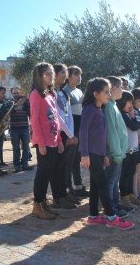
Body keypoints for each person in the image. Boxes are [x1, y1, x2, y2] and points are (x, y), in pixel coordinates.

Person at [81, 78, 134, 230]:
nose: (109, 95)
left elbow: (102, 135)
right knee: (103, 183)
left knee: (96, 185)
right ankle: (111, 218)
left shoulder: (100, 109)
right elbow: (83, 132)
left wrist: (104, 154)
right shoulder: (90, 109)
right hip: (90, 153)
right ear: (96, 94)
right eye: (106, 92)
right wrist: (84, 155)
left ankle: (93, 217)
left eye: (110, 91)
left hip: (98, 153)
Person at [30, 63, 64, 220]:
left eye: (52, 73)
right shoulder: (36, 94)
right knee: (42, 173)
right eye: (47, 74)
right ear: (39, 76)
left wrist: (60, 140)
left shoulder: (51, 94)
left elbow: (56, 119)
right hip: (44, 141)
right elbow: (35, 120)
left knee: (49, 171)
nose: (51, 76)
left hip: (53, 140)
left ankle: (43, 203)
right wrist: (40, 142)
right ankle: (37, 205)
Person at [104, 76, 133, 218]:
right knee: (110, 182)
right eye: (121, 87)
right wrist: (116, 153)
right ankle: (109, 208)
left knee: (115, 181)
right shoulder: (108, 107)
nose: (123, 90)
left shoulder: (113, 105)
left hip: (119, 153)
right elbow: (111, 132)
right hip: (114, 153)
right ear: (114, 89)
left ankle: (116, 204)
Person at [52, 64, 80, 207]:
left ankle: (64, 194)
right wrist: (69, 134)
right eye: (62, 72)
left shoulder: (64, 93)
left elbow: (69, 116)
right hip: (60, 134)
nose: (65, 75)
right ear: (54, 74)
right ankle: (57, 197)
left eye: (65, 73)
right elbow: (57, 117)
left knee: (65, 166)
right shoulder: (51, 94)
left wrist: (72, 134)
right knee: (58, 167)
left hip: (69, 133)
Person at [63, 66, 90, 198]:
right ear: (68, 77)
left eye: (80, 74)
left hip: (80, 129)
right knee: (69, 160)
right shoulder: (64, 91)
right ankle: (68, 190)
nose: (79, 77)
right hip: (71, 130)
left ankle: (78, 187)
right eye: (75, 74)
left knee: (77, 159)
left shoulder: (79, 92)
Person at [116, 91, 140, 208]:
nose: (131, 105)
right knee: (125, 175)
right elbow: (135, 126)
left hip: (134, 149)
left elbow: (139, 125)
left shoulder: (128, 114)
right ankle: (124, 198)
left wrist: (132, 116)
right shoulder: (122, 114)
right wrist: (133, 117)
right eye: (129, 102)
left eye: (132, 102)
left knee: (131, 173)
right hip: (126, 151)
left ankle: (131, 195)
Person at [9, 87, 34, 173]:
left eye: (17, 93)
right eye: (14, 93)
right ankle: (16, 165)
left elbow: (29, 113)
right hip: (14, 128)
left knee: (26, 147)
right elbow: (7, 115)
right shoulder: (9, 103)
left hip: (24, 127)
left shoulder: (25, 101)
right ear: (11, 94)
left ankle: (25, 164)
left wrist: (29, 105)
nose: (16, 95)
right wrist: (15, 109)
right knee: (16, 148)